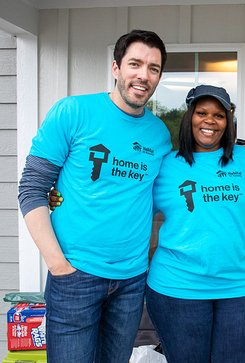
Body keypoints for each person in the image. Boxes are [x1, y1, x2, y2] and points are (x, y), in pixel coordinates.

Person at [17, 30, 171, 362]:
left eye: (154, 68)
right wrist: (58, 264)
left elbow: (165, 195)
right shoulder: (73, 112)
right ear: (116, 67)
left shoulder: (159, 135)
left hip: (131, 279)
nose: (143, 75)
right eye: (135, 64)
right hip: (74, 275)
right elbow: (32, 188)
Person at [144, 85, 245, 363]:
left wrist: (233, 218)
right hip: (176, 287)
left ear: (228, 122)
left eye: (219, 115)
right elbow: (130, 207)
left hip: (239, 289)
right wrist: (62, 197)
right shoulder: (166, 165)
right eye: (201, 112)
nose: (209, 121)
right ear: (189, 116)